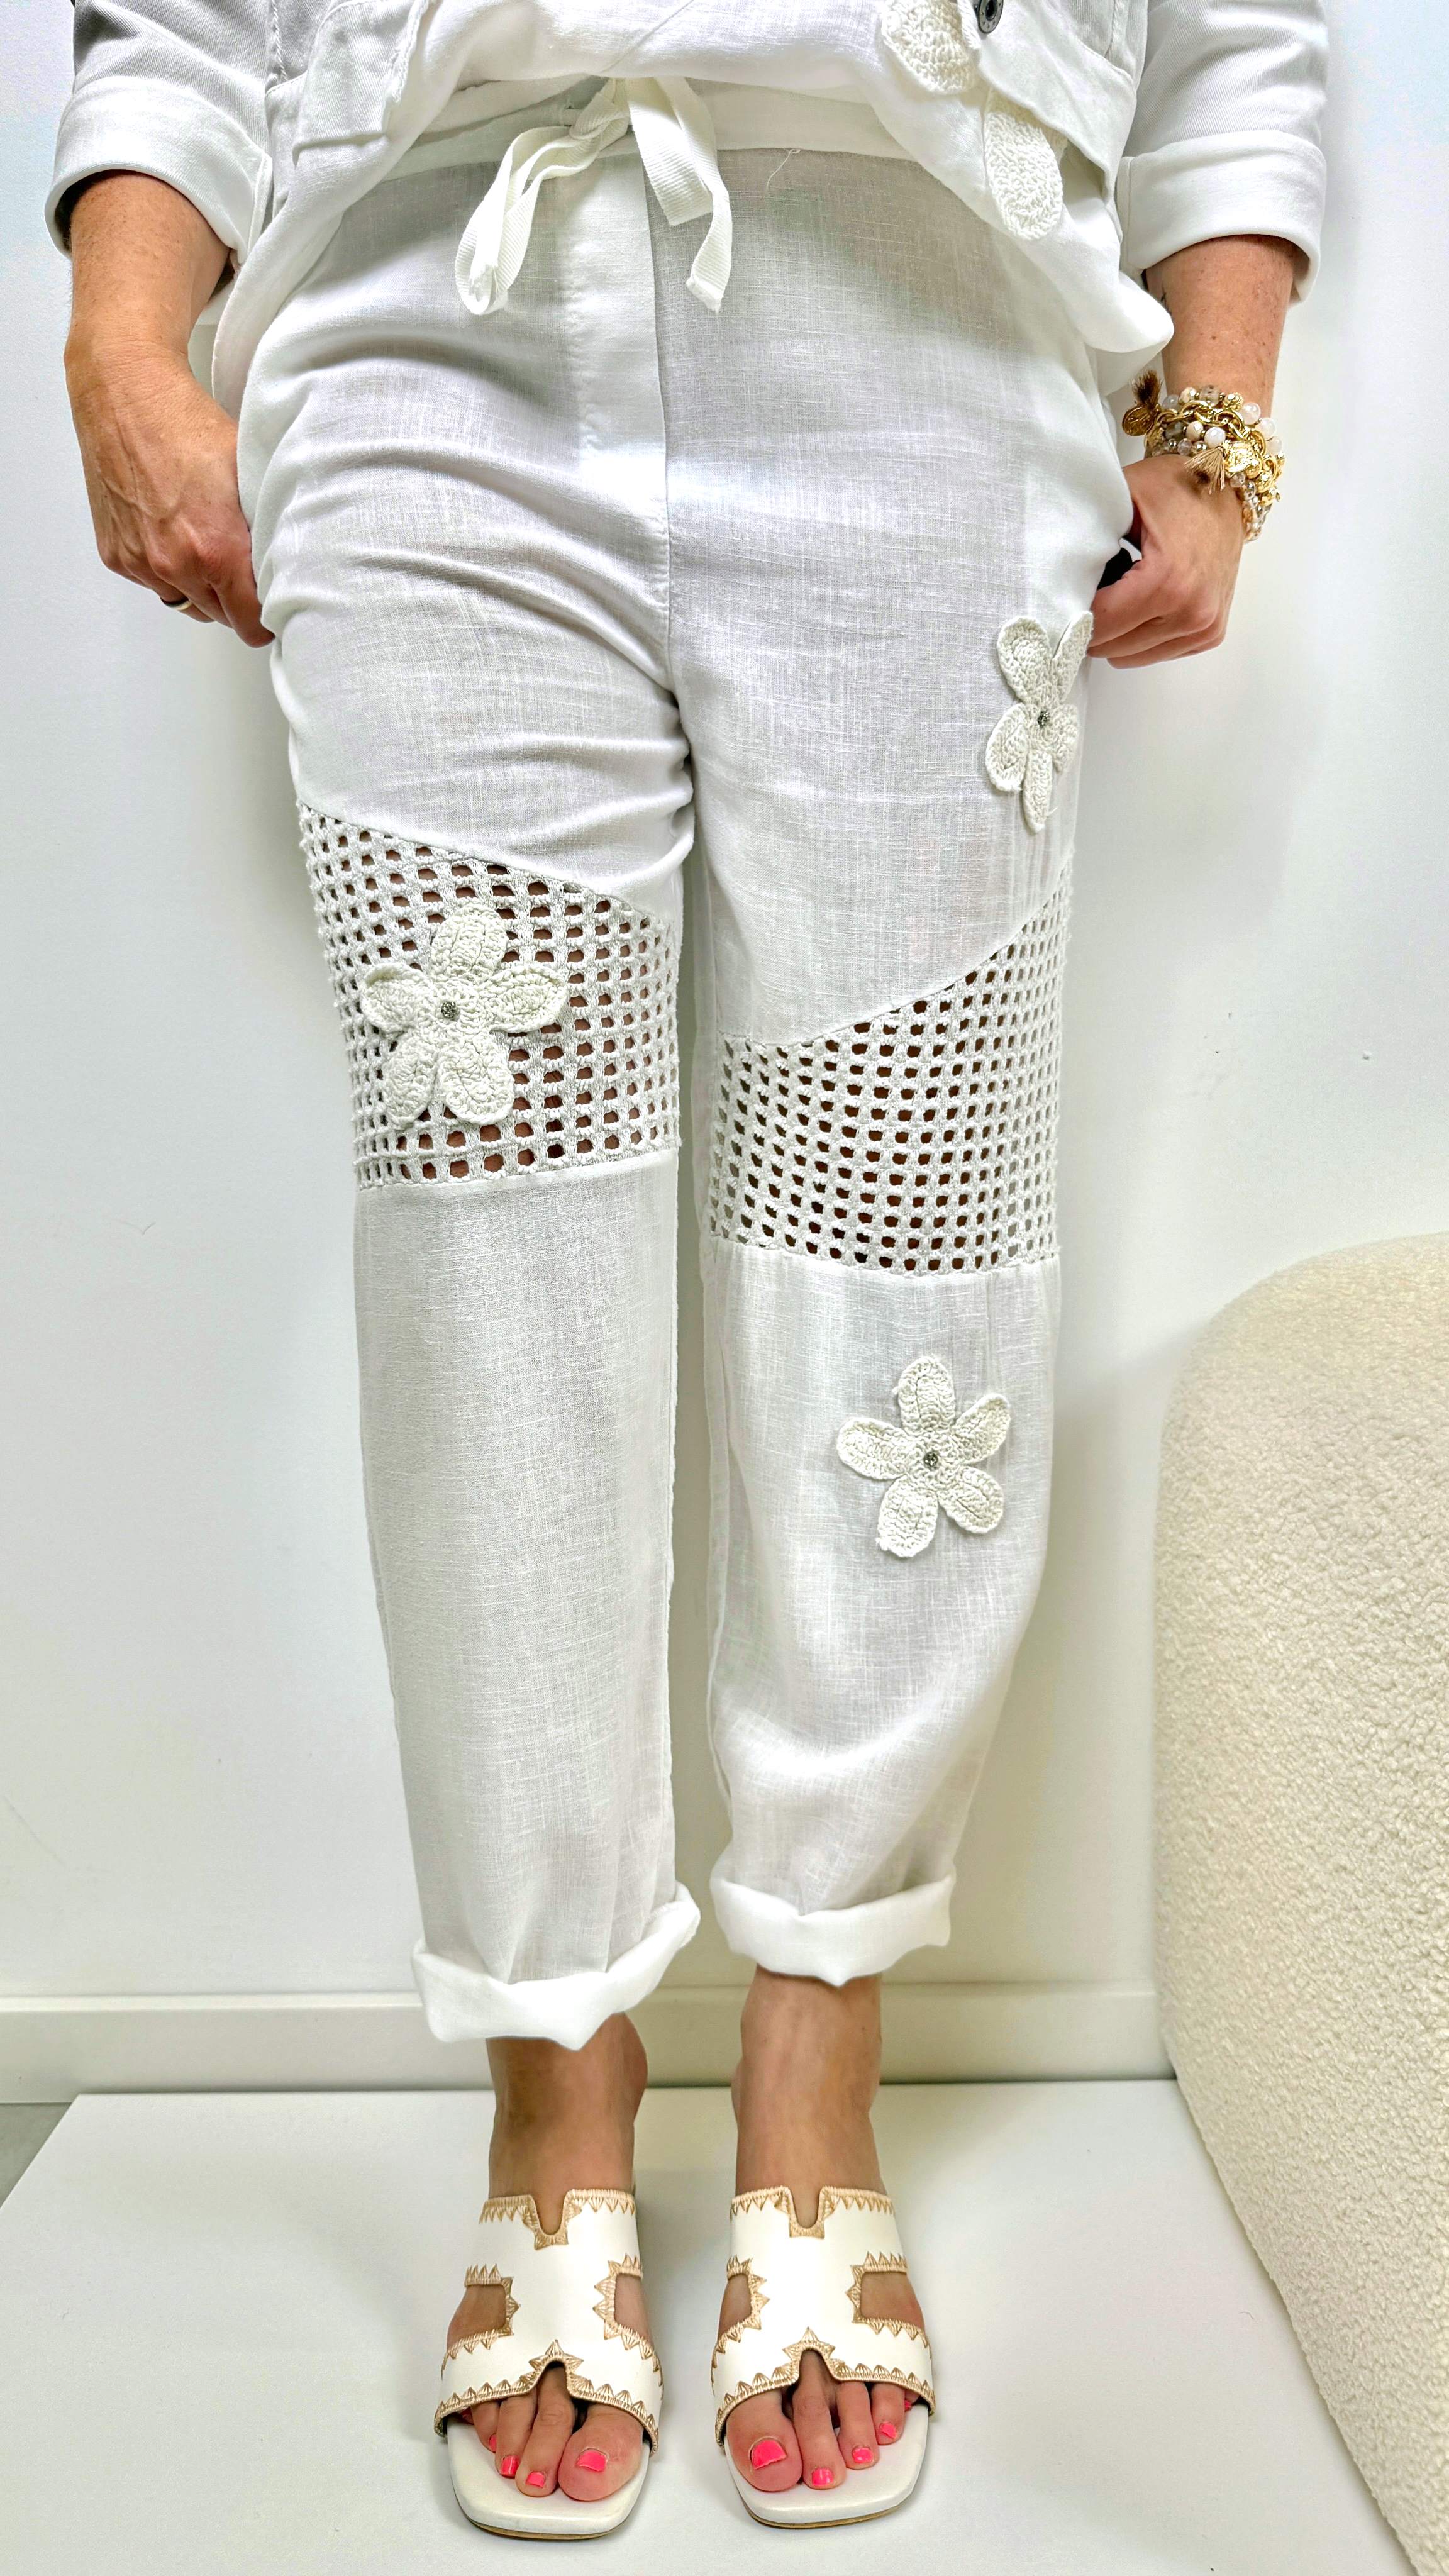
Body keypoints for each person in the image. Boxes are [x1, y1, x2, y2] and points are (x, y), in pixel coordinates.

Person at [51, 0, 1326, 2537]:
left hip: (928, 317)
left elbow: (1245, 33)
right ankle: (555, 2097)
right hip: (429, 323)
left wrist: (1218, 408)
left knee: (907, 1232)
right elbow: (172, 25)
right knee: (489, 1273)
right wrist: (119, 339)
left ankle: (816, 2082)